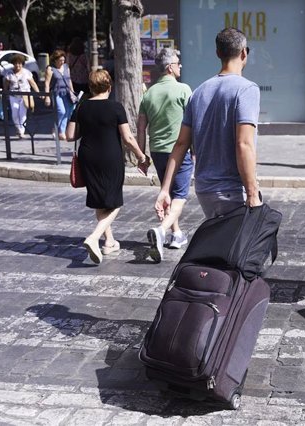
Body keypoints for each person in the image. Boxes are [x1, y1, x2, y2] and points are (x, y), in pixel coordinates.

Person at [153, 27, 261, 260]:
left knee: (222, 252)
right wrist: (253, 193)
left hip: (205, 189)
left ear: (217, 53)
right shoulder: (246, 89)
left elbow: (181, 144)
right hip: (233, 190)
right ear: (244, 53)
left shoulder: (199, 92)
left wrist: (164, 189)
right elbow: (244, 144)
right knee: (238, 257)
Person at [66, 69, 150, 264]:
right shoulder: (116, 107)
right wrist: (141, 155)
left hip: (88, 157)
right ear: (109, 87)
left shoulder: (82, 107)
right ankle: (94, 237)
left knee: (99, 199)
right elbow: (128, 138)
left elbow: (70, 135)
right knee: (114, 201)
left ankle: (109, 242)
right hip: (109, 157)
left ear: (91, 87)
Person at [137, 48, 193, 262]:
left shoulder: (149, 93)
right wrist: (195, 150)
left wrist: (142, 157)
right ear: (170, 67)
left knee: (166, 192)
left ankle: (176, 235)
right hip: (178, 149)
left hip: (157, 150)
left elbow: (141, 128)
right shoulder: (183, 90)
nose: (180, 66)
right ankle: (161, 231)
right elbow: (193, 123)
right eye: (178, 63)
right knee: (179, 196)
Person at [2, 54, 40, 139]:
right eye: (16, 63)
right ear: (13, 64)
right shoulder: (9, 73)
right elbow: (6, 85)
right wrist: (5, 93)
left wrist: (38, 93)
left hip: (25, 95)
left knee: (22, 113)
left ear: (22, 64)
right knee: (15, 113)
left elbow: (32, 83)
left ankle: (21, 131)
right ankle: (18, 128)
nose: (18, 65)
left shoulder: (26, 72)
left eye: (19, 63)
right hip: (13, 95)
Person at [44, 49, 77, 141]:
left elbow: (69, 80)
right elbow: (47, 83)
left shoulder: (66, 67)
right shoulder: (50, 69)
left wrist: (72, 92)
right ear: (55, 60)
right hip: (57, 93)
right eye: (60, 60)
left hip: (67, 92)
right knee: (61, 111)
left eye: (63, 60)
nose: (62, 62)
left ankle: (61, 131)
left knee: (68, 111)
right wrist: (47, 97)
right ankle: (56, 128)